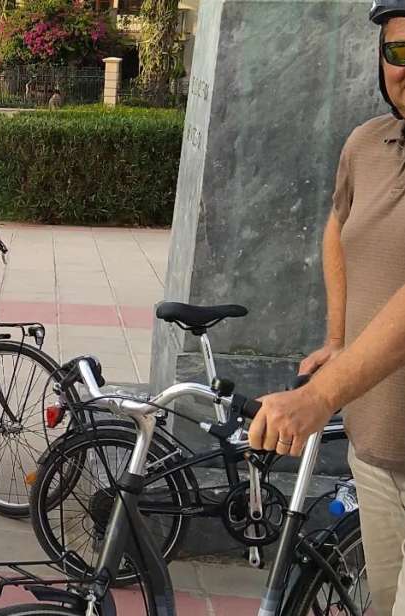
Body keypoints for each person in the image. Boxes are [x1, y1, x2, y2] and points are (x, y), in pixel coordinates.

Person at [251, 2, 405, 612]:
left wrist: (321, 394)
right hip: (377, 446)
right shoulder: (368, 144)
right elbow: (337, 227)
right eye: (399, 51)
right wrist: (339, 337)